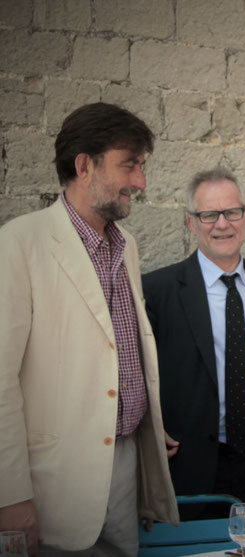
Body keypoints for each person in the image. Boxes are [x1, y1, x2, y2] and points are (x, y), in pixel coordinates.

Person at [0, 102, 178, 555]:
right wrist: (11, 496)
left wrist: (145, 426)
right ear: (84, 166)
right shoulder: (20, 243)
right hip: (55, 478)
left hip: (123, 465)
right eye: (129, 165)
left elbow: (115, 351)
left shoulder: (127, 245)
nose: (139, 181)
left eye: (141, 166)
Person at [142, 168, 245, 543]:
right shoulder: (157, 290)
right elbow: (131, 367)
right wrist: (147, 424)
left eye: (232, 212)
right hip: (188, 463)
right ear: (192, 223)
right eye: (209, 215)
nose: (222, 224)